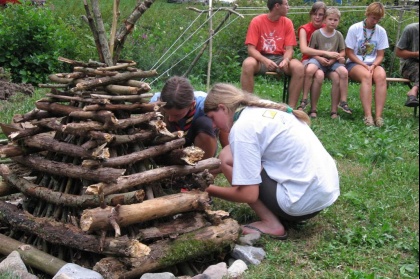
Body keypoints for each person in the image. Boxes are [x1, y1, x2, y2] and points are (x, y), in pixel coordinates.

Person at [203, 83, 340, 239]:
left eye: (212, 118)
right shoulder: (263, 110)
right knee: (232, 155)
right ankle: (279, 212)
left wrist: (207, 189)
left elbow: (248, 195)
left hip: (298, 204)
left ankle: (271, 224)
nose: (213, 125)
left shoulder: (242, 128)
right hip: (321, 197)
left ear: (222, 108)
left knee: (226, 157)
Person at [240, 0, 304, 108]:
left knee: (298, 67)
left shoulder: (287, 22)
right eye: (286, 4)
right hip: (260, 58)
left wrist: (286, 60)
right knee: (248, 63)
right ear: (277, 6)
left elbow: (289, 49)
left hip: (280, 58)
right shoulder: (257, 21)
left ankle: (290, 109)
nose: (289, 7)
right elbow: (251, 49)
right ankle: (248, 104)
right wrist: (264, 60)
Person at [150, 76, 228, 159]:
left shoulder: (207, 104)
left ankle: (201, 166)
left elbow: (224, 129)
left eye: (177, 115)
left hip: (198, 141)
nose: (170, 119)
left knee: (205, 123)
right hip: (171, 140)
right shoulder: (156, 101)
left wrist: (225, 157)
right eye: (167, 113)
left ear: (191, 105)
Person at [345, 2, 389, 127]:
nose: (375, 21)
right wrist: (363, 65)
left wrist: (374, 65)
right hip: (355, 63)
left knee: (381, 75)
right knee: (366, 76)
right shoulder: (355, 28)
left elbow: (380, 54)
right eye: (373, 18)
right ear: (368, 14)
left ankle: (379, 116)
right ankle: (368, 115)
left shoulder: (381, 31)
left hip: (372, 64)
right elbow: (349, 52)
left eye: (378, 19)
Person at [305, 7, 352, 119]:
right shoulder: (317, 34)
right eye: (330, 19)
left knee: (343, 73)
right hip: (319, 61)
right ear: (325, 20)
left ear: (338, 21)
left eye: (335, 20)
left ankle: (341, 104)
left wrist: (335, 59)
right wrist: (320, 59)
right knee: (311, 70)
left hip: (333, 63)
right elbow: (311, 51)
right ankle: (307, 102)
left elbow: (342, 51)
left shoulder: (339, 35)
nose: (332, 22)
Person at [395, 22, 419, 107]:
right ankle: (413, 91)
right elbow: (398, 52)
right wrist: (416, 54)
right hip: (408, 64)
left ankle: (413, 91)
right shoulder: (411, 29)